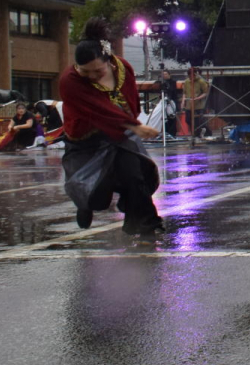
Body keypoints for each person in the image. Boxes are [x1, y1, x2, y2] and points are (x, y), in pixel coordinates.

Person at [58, 18, 164, 235]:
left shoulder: (123, 68)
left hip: (120, 134)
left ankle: (145, 225)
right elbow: (97, 109)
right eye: (84, 71)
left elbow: (131, 100)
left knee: (136, 174)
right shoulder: (69, 81)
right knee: (94, 190)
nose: (91, 76)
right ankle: (85, 204)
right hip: (86, 139)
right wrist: (134, 126)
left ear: (108, 60)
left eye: (97, 71)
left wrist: (132, 124)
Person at [181, 66, 210, 138]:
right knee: (188, 120)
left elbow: (205, 92)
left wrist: (197, 98)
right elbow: (184, 92)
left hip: (199, 105)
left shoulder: (201, 81)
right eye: (190, 76)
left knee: (197, 121)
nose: (191, 78)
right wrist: (183, 101)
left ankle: (198, 134)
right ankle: (197, 132)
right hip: (189, 104)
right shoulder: (187, 81)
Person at [159, 69, 181, 138]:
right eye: (163, 74)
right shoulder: (162, 84)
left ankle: (172, 133)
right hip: (165, 103)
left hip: (172, 102)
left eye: (166, 74)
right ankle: (167, 133)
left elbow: (173, 92)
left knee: (172, 118)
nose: (164, 76)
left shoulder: (173, 83)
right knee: (166, 119)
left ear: (169, 75)